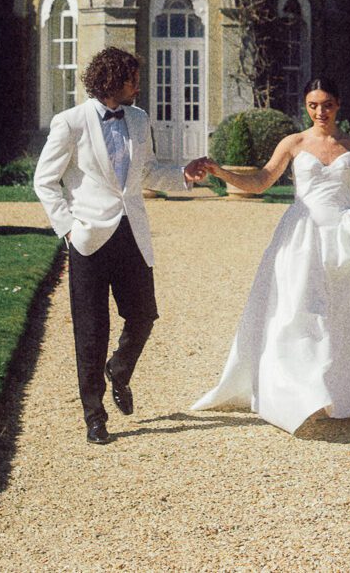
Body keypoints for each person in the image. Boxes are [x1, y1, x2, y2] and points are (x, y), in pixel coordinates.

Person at [191, 75, 350, 433]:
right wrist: (219, 171)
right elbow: (260, 181)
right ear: (306, 106)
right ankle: (304, 394)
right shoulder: (294, 143)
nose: (320, 111)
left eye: (327, 104)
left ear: (338, 105)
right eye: (313, 105)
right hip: (302, 235)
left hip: (345, 235)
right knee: (301, 311)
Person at [34, 46, 209, 445]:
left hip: (132, 232)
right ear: (112, 79)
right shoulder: (70, 122)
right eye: (132, 78)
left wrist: (184, 174)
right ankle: (94, 416)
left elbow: (145, 171)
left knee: (144, 315)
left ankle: (120, 369)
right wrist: (68, 228)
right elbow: (45, 181)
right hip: (89, 237)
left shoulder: (138, 118)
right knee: (91, 331)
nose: (139, 85)